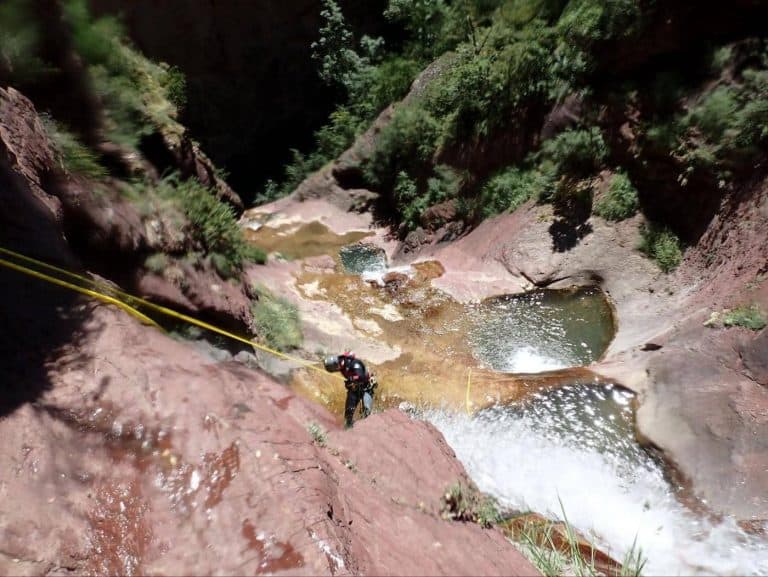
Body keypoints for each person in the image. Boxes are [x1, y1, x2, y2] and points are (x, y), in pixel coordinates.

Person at [324, 351, 377, 428]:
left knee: (366, 411)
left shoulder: (354, 363)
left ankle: (367, 427)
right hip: (354, 390)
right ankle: (349, 427)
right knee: (349, 411)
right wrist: (349, 383)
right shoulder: (342, 367)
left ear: (335, 365)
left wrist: (352, 379)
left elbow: (361, 376)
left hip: (366, 388)